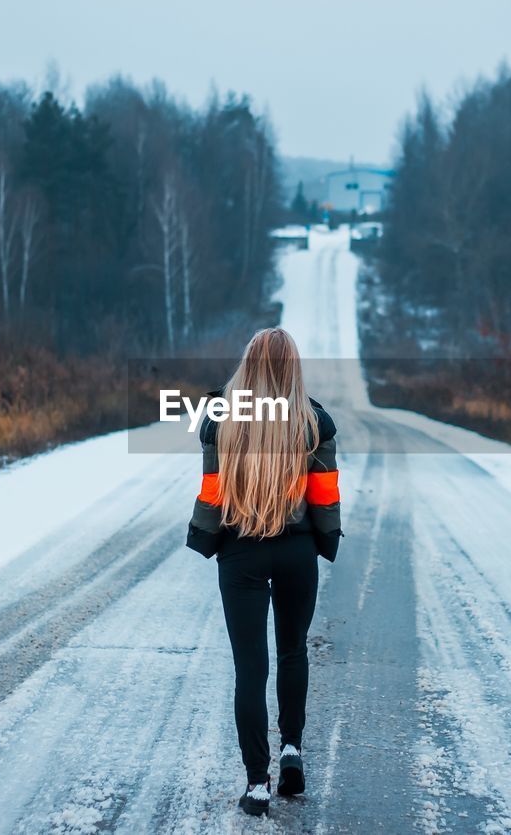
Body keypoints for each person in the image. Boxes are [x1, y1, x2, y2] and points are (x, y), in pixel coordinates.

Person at [185, 328, 342, 817]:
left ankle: (257, 783)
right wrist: (324, 539)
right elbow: (325, 497)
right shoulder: (313, 422)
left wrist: (206, 538)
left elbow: (213, 491)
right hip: (295, 552)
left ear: (248, 366)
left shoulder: (223, 420)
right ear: (292, 367)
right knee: (293, 649)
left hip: (242, 553)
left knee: (250, 669)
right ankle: (292, 748)